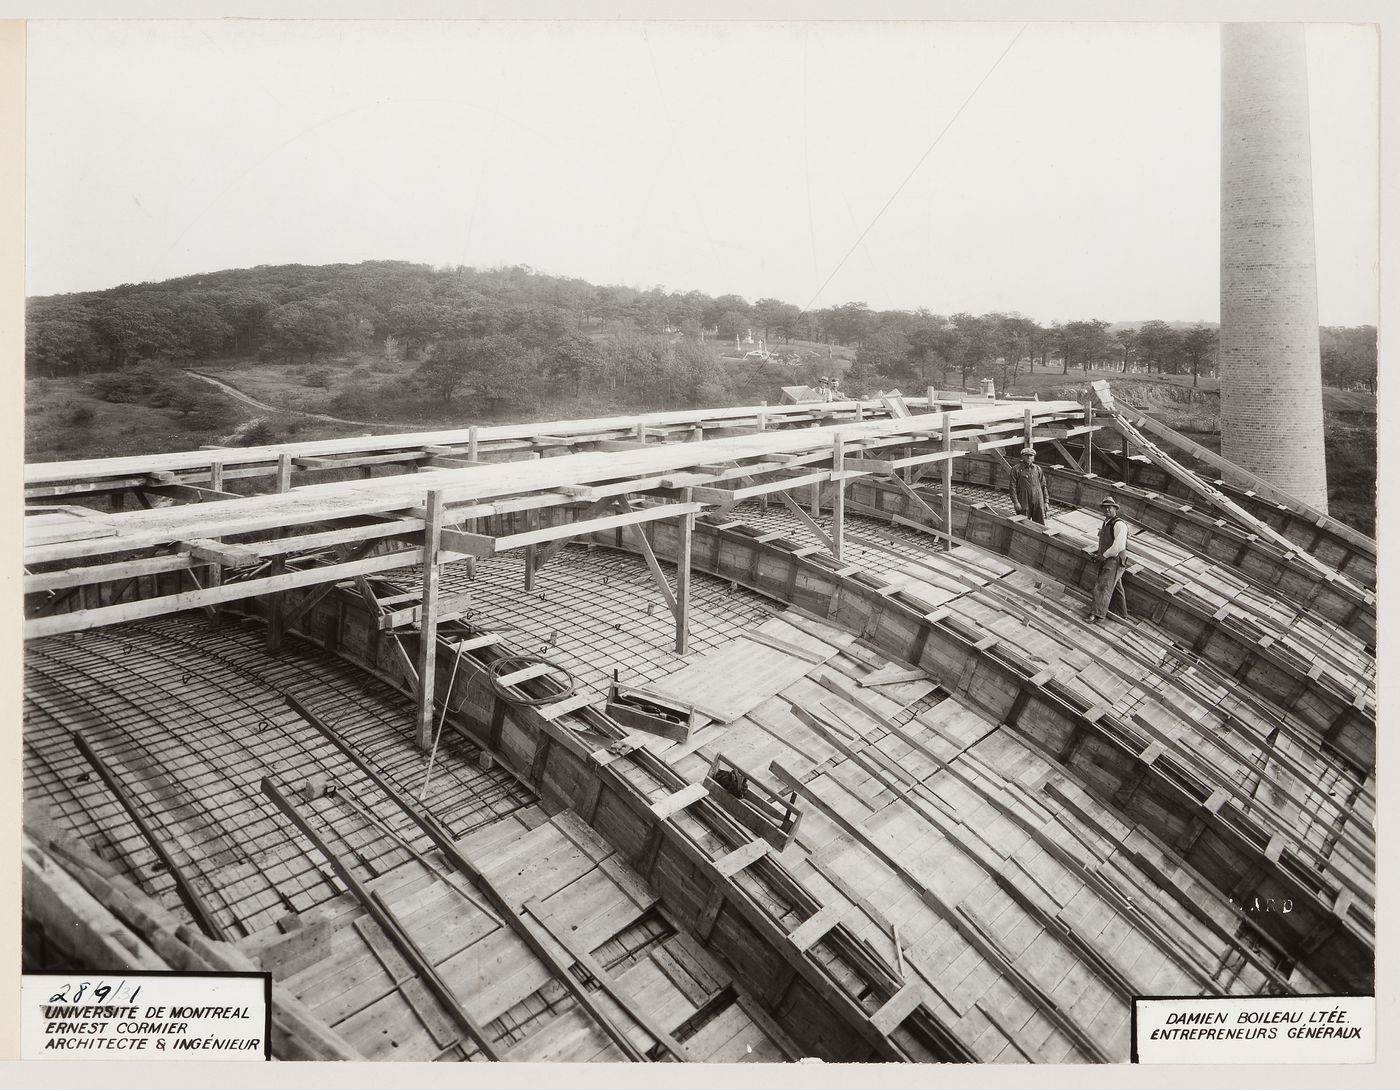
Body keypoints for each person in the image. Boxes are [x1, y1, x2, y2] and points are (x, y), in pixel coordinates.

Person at [1087, 495, 1129, 623]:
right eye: (1104, 508)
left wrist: (1103, 556)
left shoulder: (1119, 524)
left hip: (1115, 560)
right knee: (1116, 587)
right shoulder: (1106, 523)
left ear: (1115, 509)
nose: (1107, 510)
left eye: (1109, 508)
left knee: (1103, 586)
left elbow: (1118, 546)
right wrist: (1099, 554)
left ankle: (1097, 615)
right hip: (1108, 559)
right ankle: (1122, 613)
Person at [1009, 446, 1050, 525]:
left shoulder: (1037, 469)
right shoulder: (1016, 469)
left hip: (1038, 500)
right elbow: (1012, 487)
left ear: (1034, 457)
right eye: (1026, 455)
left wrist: (1046, 502)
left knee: (1039, 524)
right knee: (1023, 523)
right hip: (1023, 500)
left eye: (1031, 455)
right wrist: (1016, 502)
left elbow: (1043, 486)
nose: (1029, 457)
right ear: (1022, 457)